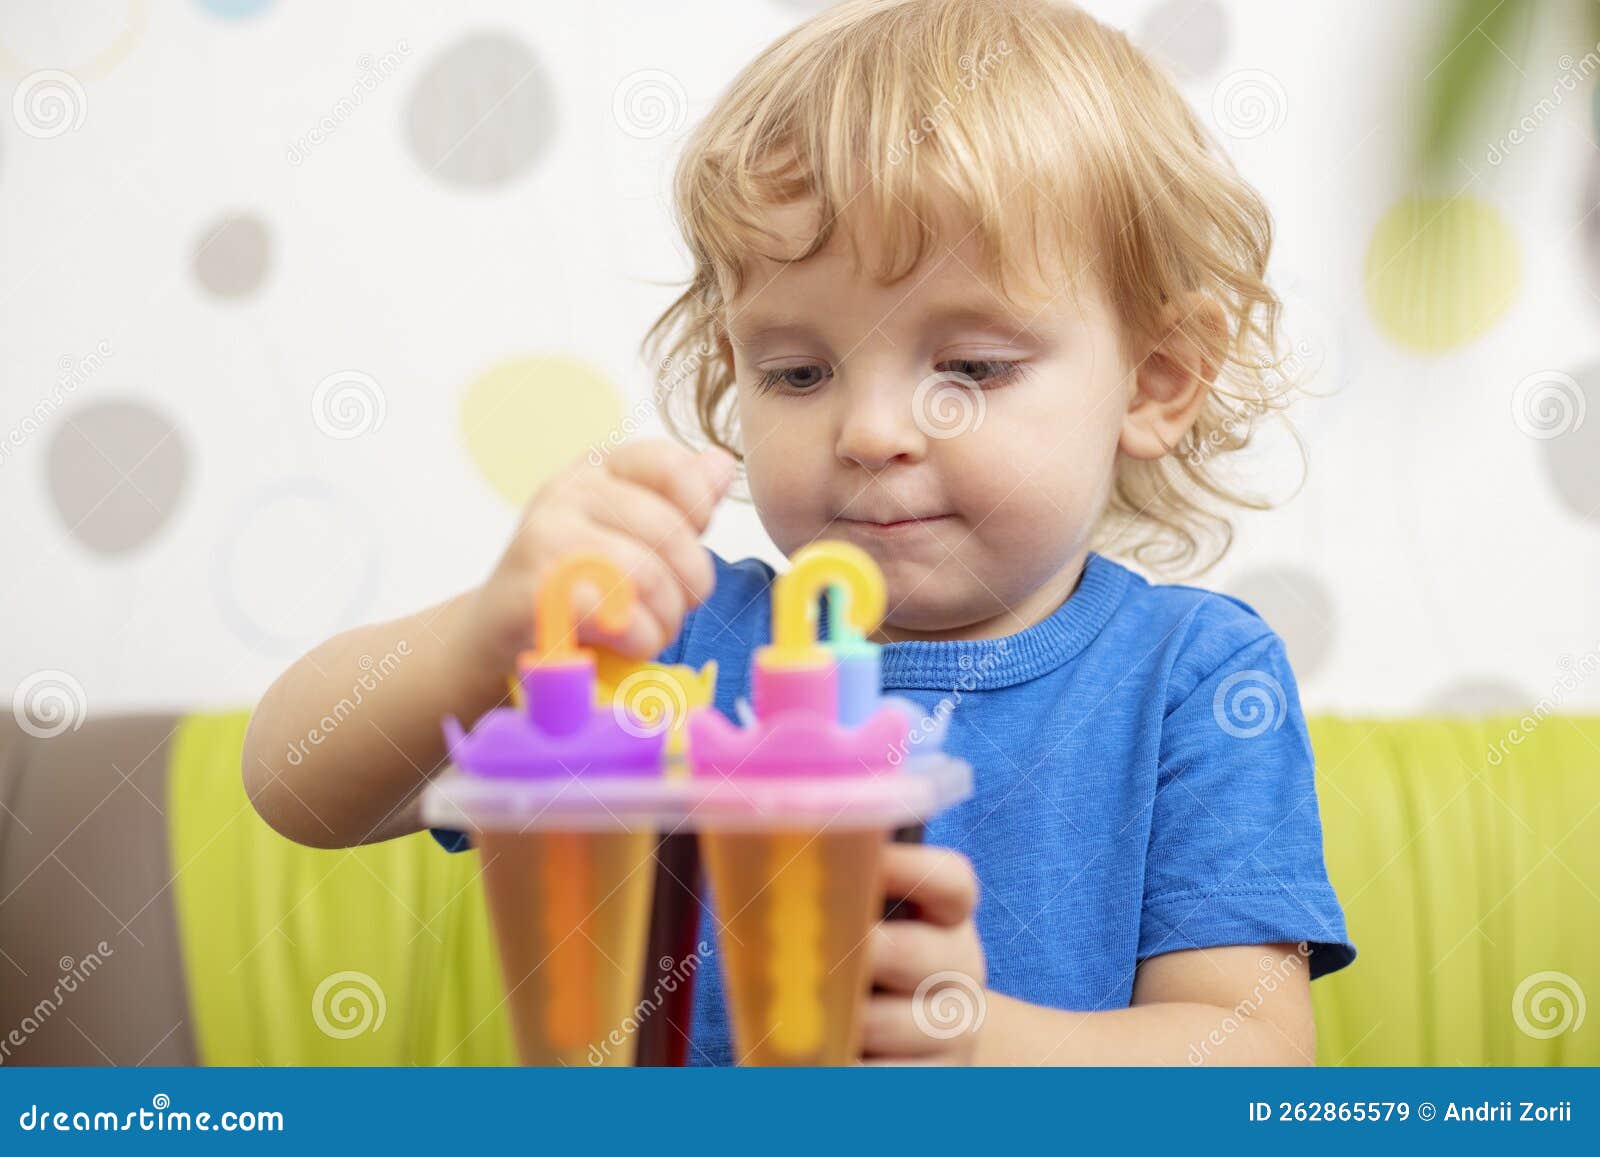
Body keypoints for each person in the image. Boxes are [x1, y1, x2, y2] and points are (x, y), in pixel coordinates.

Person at [244, 0, 1353, 1065]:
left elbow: (1249, 1059)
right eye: (799, 371)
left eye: (969, 366)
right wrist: (492, 636)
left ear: (1156, 380)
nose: (869, 431)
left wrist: (976, 1042)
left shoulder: (1192, 676)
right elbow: (296, 784)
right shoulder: (669, 644)